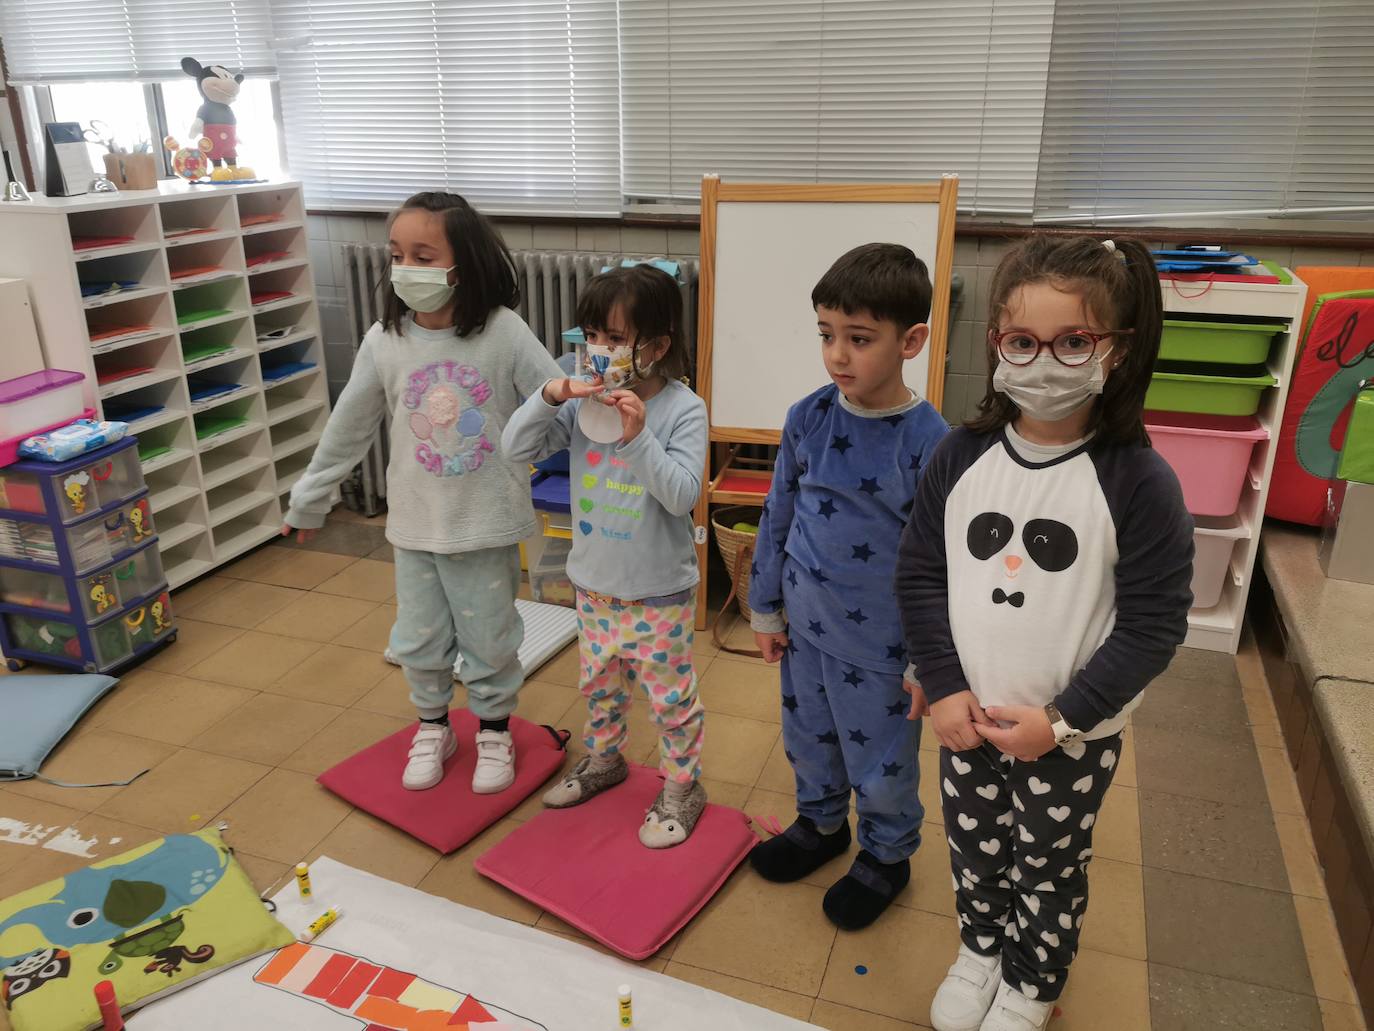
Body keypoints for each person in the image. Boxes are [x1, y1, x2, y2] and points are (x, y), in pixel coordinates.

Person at [896, 236, 1193, 1031]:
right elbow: (922, 575)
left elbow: (1156, 624)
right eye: (1022, 341)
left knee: (1050, 865)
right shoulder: (958, 457)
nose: (1044, 361)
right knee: (974, 850)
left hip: (1071, 733)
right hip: (968, 719)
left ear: (1117, 349)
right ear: (997, 340)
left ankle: (1032, 981)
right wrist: (944, 680)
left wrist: (1061, 721)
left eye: (1073, 341)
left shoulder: (1139, 480)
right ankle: (981, 951)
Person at [281, 191, 563, 796]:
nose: (405, 266)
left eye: (423, 254)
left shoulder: (504, 333)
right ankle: (433, 726)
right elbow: (349, 425)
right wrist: (311, 495)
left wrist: (554, 442)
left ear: (464, 264)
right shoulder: (385, 340)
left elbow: (554, 402)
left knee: (490, 637)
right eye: (397, 253)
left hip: (485, 522)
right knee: (420, 639)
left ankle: (492, 728)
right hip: (414, 525)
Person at [747, 243, 949, 929]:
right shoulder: (808, 416)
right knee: (809, 738)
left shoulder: (928, 442)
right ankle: (821, 823)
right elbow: (777, 512)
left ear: (910, 340)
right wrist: (765, 607)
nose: (838, 354)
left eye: (859, 339)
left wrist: (932, 660)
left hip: (886, 652)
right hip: (806, 630)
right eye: (827, 334)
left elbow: (941, 564)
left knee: (882, 759)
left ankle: (886, 856)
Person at [502, 263, 709, 848]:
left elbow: (682, 495)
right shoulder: (578, 406)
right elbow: (513, 447)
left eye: (615, 339)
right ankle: (605, 759)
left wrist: (637, 436)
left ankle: (682, 785)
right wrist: (550, 394)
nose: (598, 350)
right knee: (599, 688)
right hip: (593, 586)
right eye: (590, 336)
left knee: (670, 701)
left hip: (658, 592)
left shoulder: (682, 409)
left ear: (658, 345)